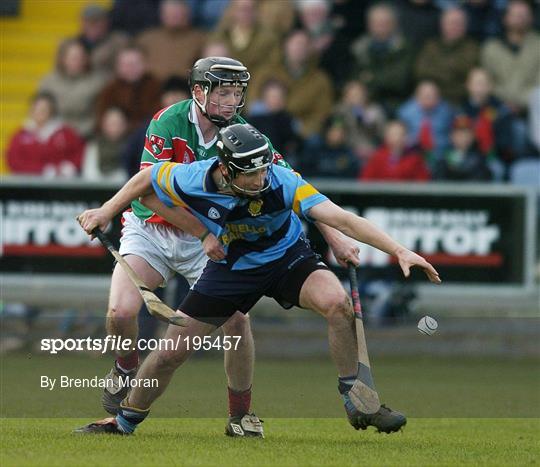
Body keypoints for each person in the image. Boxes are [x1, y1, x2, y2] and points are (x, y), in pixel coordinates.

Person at [75, 122, 441, 436]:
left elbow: (341, 217)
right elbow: (145, 179)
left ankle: (357, 398)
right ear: (226, 169)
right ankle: (125, 420)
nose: (261, 178)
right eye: (251, 173)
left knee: (337, 303)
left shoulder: (281, 179)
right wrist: (107, 210)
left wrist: (399, 251)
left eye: (264, 169)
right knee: (171, 352)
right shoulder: (192, 177)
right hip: (232, 269)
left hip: (287, 259)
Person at [75, 57, 361, 438]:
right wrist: (108, 211)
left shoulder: (245, 135)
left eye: (238, 93)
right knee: (120, 312)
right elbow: (148, 187)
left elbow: (295, 185)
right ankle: (126, 367)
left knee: (237, 323)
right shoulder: (168, 122)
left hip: (208, 238)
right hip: (153, 230)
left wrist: (336, 236)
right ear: (199, 92)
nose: (232, 101)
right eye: (223, 92)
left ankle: (240, 416)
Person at [39, 39, 107, 138]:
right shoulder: (48, 82)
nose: (77, 61)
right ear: (63, 59)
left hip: (87, 135)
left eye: (80, 57)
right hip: (53, 134)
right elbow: (42, 109)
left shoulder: (98, 82)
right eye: (73, 57)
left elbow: (101, 113)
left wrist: (84, 130)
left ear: (86, 59)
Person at [6, 92, 85, 176]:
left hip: (61, 182)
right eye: (36, 108)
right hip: (28, 183)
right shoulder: (20, 134)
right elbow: (13, 160)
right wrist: (41, 170)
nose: (39, 112)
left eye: (44, 109)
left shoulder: (65, 133)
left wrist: (70, 166)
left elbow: (79, 153)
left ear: (51, 111)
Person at [414, 7, 480, 105]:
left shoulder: (473, 48)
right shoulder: (430, 46)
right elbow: (420, 72)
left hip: (459, 101)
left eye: (458, 23)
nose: (454, 27)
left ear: (465, 26)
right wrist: (451, 72)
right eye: (450, 23)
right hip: (429, 99)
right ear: (442, 25)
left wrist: (437, 72)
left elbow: (469, 74)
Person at [135, 0, 206, 80]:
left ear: (187, 15)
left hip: (185, 87)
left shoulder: (200, 40)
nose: (173, 17)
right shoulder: (146, 39)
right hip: (151, 87)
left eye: (177, 14)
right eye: (170, 14)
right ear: (162, 15)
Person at [360, 120, 430, 181]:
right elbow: (365, 182)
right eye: (392, 134)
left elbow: (423, 183)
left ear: (406, 137)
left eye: (400, 134)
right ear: (386, 137)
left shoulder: (415, 159)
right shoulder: (377, 157)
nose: (396, 138)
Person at [432, 115, 492, 182]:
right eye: (459, 134)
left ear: (473, 136)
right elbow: (438, 180)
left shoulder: (480, 159)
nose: (463, 138)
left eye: (466, 133)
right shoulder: (443, 158)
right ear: (451, 136)